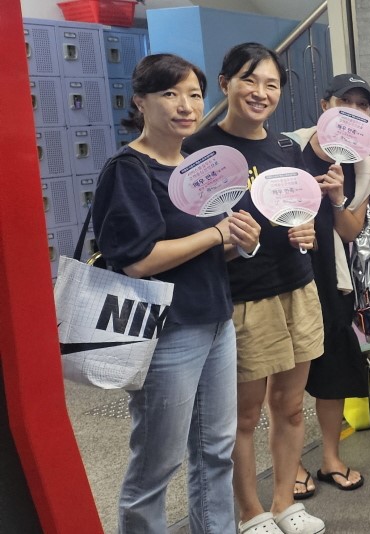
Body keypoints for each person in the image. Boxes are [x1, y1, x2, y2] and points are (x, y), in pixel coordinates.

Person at [94, 53, 260, 534]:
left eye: (194, 94)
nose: (186, 106)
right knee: (157, 463)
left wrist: (240, 243)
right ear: (140, 102)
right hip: (168, 332)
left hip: (216, 320)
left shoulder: (197, 168)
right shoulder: (129, 169)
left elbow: (209, 251)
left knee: (216, 451)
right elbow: (137, 260)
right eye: (170, 94)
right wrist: (215, 234)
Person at [184, 43, 326, 534]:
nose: (260, 92)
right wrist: (225, 240)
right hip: (242, 297)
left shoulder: (287, 149)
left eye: (271, 84)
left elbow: (300, 211)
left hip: (297, 288)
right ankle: (250, 512)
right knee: (243, 418)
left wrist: (307, 230)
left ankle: (285, 503)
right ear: (225, 84)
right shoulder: (198, 151)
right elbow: (188, 236)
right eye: (249, 80)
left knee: (291, 407)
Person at [284, 73, 370, 491]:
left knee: (334, 371)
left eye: (362, 106)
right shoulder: (289, 147)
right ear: (326, 106)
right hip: (289, 274)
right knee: (285, 376)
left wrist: (338, 198)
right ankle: (290, 466)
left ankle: (330, 458)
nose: (354, 112)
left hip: (332, 277)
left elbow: (351, 230)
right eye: (346, 102)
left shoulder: (363, 164)